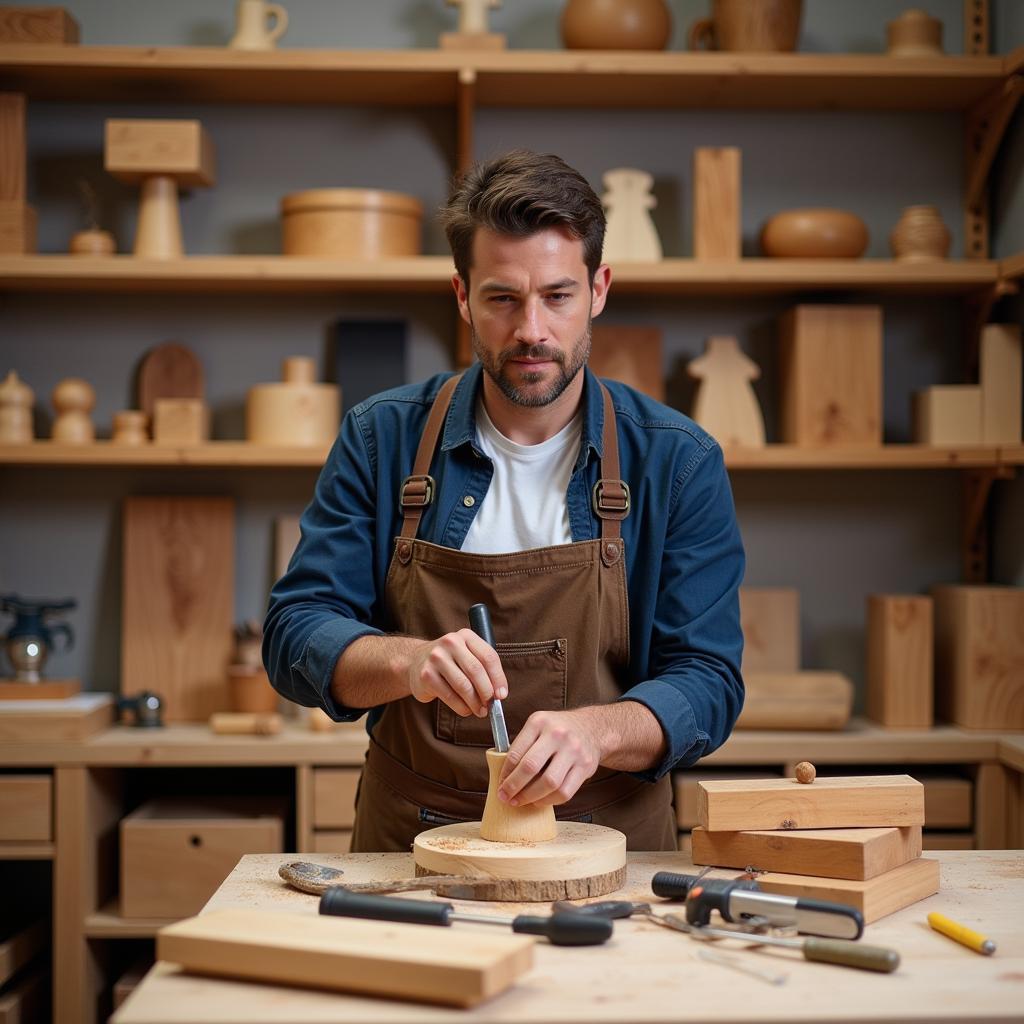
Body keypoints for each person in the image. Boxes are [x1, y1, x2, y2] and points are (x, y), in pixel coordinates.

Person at [263, 150, 744, 852]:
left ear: (599, 288)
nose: (532, 332)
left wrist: (599, 731)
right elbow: (294, 631)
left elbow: (709, 681)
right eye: (502, 299)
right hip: (412, 846)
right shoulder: (382, 438)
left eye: (557, 295)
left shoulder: (677, 461)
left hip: (610, 845)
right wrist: (408, 662)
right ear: (461, 296)